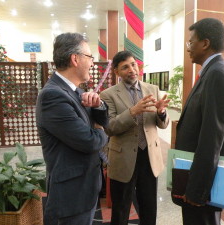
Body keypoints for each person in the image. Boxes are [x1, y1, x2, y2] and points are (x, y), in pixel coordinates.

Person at [36, 32, 108, 225]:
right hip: (71, 195)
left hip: (84, 188)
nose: (92, 63)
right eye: (90, 57)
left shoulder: (76, 91)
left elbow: (101, 118)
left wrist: (98, 106)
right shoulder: (53, 95)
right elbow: (90, 141)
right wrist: (99, 128)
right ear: (75, 59)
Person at [174, 18, 224, 225]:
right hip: (203, 177)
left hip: (205, 183)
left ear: (205, 43)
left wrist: (196, 190)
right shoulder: (214, 71)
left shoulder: (217, 74)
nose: (188, 48)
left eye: (190, 42)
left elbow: (212, 137)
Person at [100, 50, 170, 225]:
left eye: (133, 64)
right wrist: (132, 111)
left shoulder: (152, 89)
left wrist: (161, 112)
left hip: (149, 156)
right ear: (117, 72)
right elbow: (110, 128)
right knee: (121, 208)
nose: (131, 69)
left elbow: (162, 124)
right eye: (125, 67)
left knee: (148, 206)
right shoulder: (108, 95)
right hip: (123, 157)